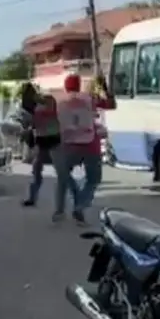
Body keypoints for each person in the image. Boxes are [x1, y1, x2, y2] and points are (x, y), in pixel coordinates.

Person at [54, 72, 117, 224]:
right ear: (79, 85)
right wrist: (106, 89)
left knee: (63, 177)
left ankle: (59, 210)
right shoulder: (89, 99)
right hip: (90, 143)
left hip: (68, 144)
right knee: (93, 179)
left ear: (65, 86)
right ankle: (80, 205)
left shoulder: (59, 102)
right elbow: (111, 104)